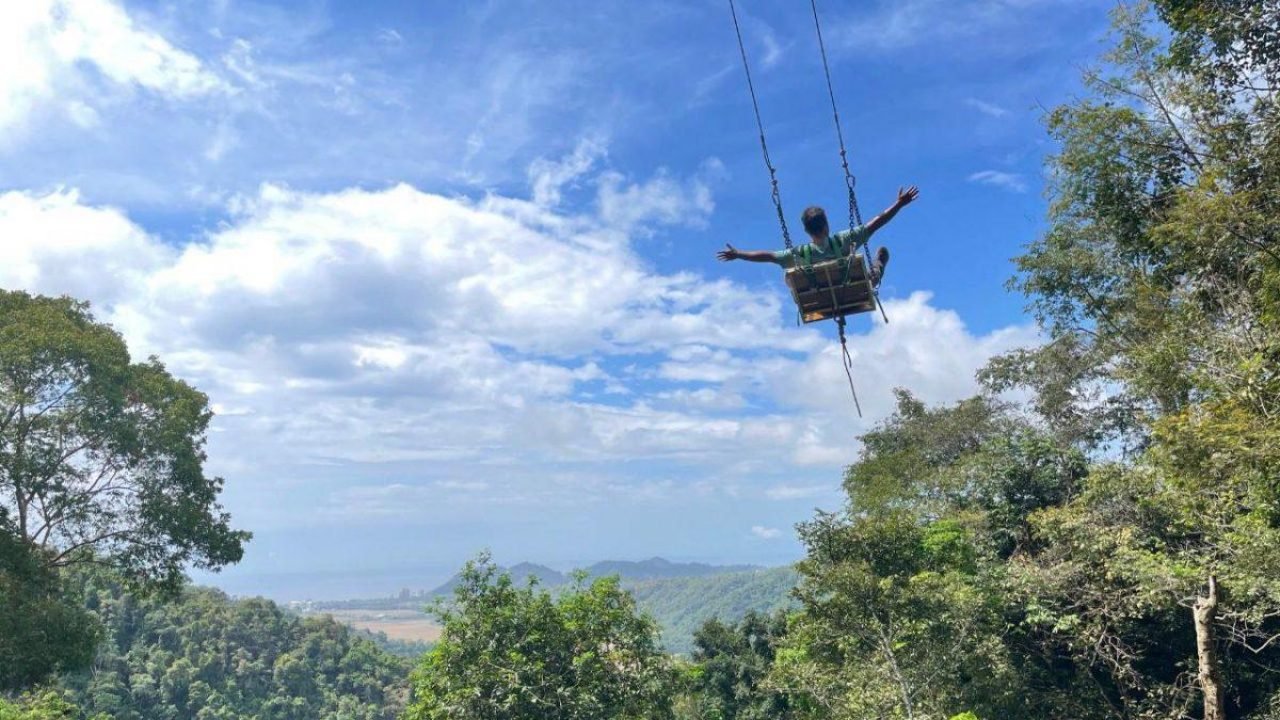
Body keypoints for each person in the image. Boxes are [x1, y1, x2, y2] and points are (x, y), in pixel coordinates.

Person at [717, 185, 919, 286]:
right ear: (827, 226)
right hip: (851, 287)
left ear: (806, 231)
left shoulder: (799, 253)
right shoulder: (843, 240)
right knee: (873, 274)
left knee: (790, 273)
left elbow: (768, 256)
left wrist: (739, 254)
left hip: (816, 298)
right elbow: (875, 223)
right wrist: (899, 204)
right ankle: (879, 265)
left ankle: (877, 266)